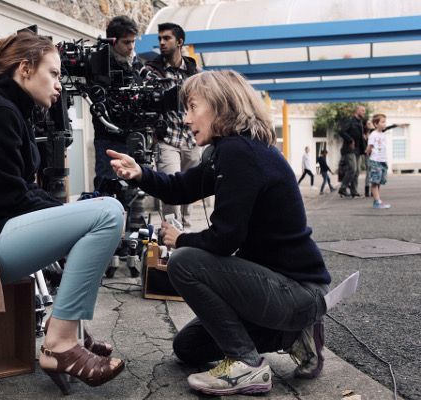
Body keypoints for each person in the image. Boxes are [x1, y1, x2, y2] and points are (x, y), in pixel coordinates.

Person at [108, 70, 330, 396]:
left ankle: (247, 365)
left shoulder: (240, 153)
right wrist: (140, 174)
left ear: (221, 106)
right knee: (188, 347)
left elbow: (226, 239)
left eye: (193, 107)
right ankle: (292, 335)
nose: (186, 119)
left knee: (184, 262)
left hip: (296, 291)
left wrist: (180, 240)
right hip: (282, 289)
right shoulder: (232, 151)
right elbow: (182, 187)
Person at [0, 31, 125, 394]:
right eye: (53, 73)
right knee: (108, 212)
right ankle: (61, 343)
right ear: (24, 68)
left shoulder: (8, 109)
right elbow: (10, 199)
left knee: (96, 216)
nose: (59, 84)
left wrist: (65, 218)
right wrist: (69, 217)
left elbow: (21, 194)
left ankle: (69, 330)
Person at [142, 22, 200, 229]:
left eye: (167, 38)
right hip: (167, 140)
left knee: (191, 190)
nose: (162, 43)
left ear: (180, 42)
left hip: (192, 139)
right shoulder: (152, 71)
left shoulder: (195, 72)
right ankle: (171, 238)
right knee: (170, 190)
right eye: (160, 39)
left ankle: (187, 235)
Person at [93, 15, 142, 191]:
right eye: (126, 42)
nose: (131, 47)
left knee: (133, 188)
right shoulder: (101, 64)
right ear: (113, 41)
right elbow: (98, 100)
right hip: (109, 136)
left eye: (133, 42)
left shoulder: (136, 64)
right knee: (108, 185)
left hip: (134, 134)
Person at [338, 105, 366, 198]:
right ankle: (342, 188)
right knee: (352, 169)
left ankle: (354, 191)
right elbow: (342, 131)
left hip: (358, 150)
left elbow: (361, 137)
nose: (364, 112)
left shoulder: (360, 123)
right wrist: (350, 140)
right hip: (349, 149)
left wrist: (365, 149)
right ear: (357, 111)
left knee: (357, 171)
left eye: (364, 111)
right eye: (362, 110)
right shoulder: (350, 121)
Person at [366, 114, 391, 209]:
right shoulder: (373, 134)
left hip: (382, 161)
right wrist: (367, 152)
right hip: (375, 160)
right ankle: (377, 202)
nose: (385, 123)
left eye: (385, 121)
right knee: (375, 182)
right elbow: (370, 147)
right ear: (376, 124)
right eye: (382, 122)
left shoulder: (383, 134)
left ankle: (377, 200)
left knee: (379, 181)